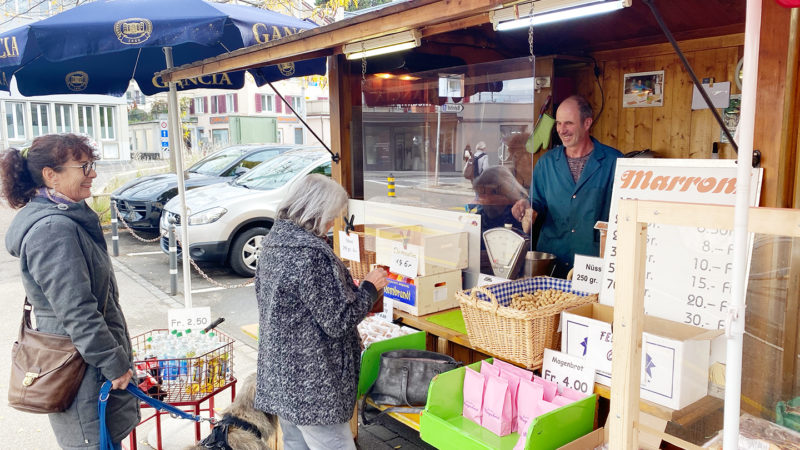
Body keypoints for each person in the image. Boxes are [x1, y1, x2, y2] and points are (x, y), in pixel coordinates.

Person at [1, 134, 140, 450]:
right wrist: (114, 363)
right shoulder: (53, 230)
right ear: (51, 175)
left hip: (86, 364)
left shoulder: (64, 218)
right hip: (80, 372)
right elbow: (78, 312)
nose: (92, 174)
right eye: (84, 166)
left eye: (92, 164)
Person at [253, 174, 388, 450]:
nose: (331, 224)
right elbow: (338, 320)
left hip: (282, 373)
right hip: (314, 382)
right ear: (316, 212)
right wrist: (369, 288)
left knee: (295, 443)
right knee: (334, 445)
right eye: (331, 216)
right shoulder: (312, 254)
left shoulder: (272, 243)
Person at [512, 95, 623, 277]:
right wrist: (526, 206)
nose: (562, 130)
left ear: (587, 123)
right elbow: (536, 202)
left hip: (593, 263)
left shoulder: (614, 162)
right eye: (558, 123)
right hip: (552, 261)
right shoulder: (546, 163)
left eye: (568, 123)